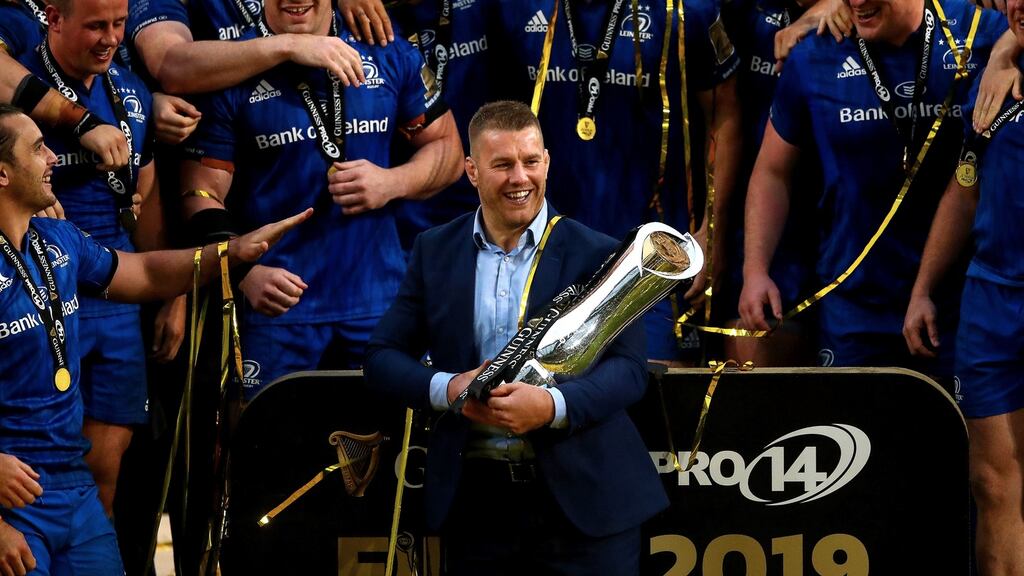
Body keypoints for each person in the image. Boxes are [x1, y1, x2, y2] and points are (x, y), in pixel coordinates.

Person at [0, 104, 308, 576]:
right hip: (12, 497)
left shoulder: (58, 240)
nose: (53, 159)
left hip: (74, 488)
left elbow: (142, 272)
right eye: (39, 148)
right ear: (3, 174)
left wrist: (230, 253)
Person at [365, 101, 668, 575]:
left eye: (530, 161)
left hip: (587, 504)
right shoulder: (434, 251)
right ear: (471, 170)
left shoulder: (600, 254)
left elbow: (630, 372)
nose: (519, 177)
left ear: (547, 161)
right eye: (502, 164)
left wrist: (552, 408)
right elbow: (381, 358)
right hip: (476, 505)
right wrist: (448, 389)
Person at [181, 0, 462, 396]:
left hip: (378, 304)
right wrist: (241, 271)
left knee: (389, 450)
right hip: (277, 309)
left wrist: (391, 182)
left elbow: (448, 148)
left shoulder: (385, 50)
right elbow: (199, 193)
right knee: (272, 453)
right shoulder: (232, 67)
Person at [739, 0, 1006, 380]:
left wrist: (1005, 55)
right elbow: (772, 172)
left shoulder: (977, 33)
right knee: (851, 437)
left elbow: (1017, 23)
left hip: (960, 301)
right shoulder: (816, 54)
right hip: (854, 304)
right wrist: (755, 270)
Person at [490, 0, 741, 364]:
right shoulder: (514, 7)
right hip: (543, 258)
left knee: (652, 408)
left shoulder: (685, 11)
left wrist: (712, 231)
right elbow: (491, 126)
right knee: (538, 405)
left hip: (652, 260)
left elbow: (725, 116)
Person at [15, 0, 175, 519]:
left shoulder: (131, 90)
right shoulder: (19, 80)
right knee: (36, 461)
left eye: (119, 24)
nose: (109, 38)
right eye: (95, 26)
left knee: (105, 466)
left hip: (118, 289)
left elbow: (146, 194)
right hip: (35, 289)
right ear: (54, 19)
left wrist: (170, 293)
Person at [903, 1, 1024, 570]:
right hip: (989, 298)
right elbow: (965, 182)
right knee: (991, 485)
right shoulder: (996, 74)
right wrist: (925, 286)